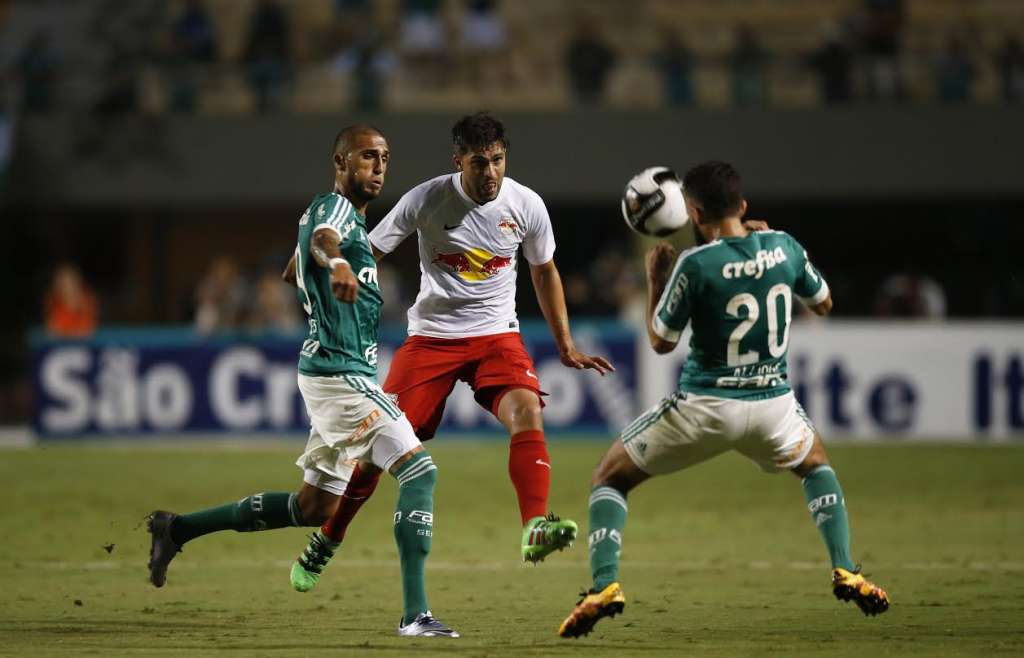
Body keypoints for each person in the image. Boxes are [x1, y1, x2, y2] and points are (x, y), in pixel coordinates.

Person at [147, 125, 458, 638]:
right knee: (418, 472)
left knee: (313, 507)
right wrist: (334, 261)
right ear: (340, 162)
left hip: (335, 372)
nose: (378, 166)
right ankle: (415, 615)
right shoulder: (334, 212)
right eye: (366, 157)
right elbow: (321, 241)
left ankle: (177, 528)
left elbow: (296, 266)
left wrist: (319, 266)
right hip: (340, 375)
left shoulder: (347, 220)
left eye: (384, 158)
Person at [558, 161, 889, 638]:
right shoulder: (783, 245)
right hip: (773, 403)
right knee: (816, 464)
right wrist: (773, 246)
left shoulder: (695, 263)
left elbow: (660, 342)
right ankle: (846, 569)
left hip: (706, 406)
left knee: (609, 478)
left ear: (692, 211)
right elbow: (824, 305)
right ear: (744, 206)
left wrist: (655, 280)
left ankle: (604, 585)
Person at [292, 112, 613, 587]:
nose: (490, 174)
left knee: (527, 410)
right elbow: (368, 248)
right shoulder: (426, 198)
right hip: (431, 338)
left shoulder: (527, 205)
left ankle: (535, 527)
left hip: (497, 335)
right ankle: (328, 537)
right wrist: (317, 258)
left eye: (498, 161)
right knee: (380, 445)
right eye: (479, 163)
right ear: (458, 161)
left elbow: (544, 271)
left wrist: (565, 344)